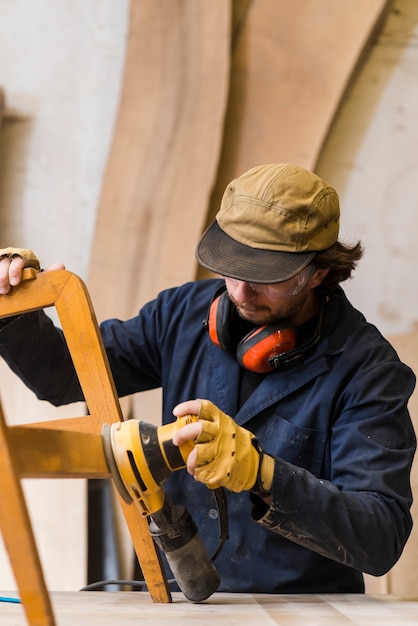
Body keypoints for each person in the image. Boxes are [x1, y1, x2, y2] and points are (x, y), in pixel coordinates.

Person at [0, 163, 416, 594]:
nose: (239, 293)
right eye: (233, 269)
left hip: (301, 612)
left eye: (265, 277)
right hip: (176, 603)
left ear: (319, 272)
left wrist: (265, 475)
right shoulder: (182, 315)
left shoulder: (369, 371)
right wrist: (13, 311)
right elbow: (63, 378)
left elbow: (380, 537)